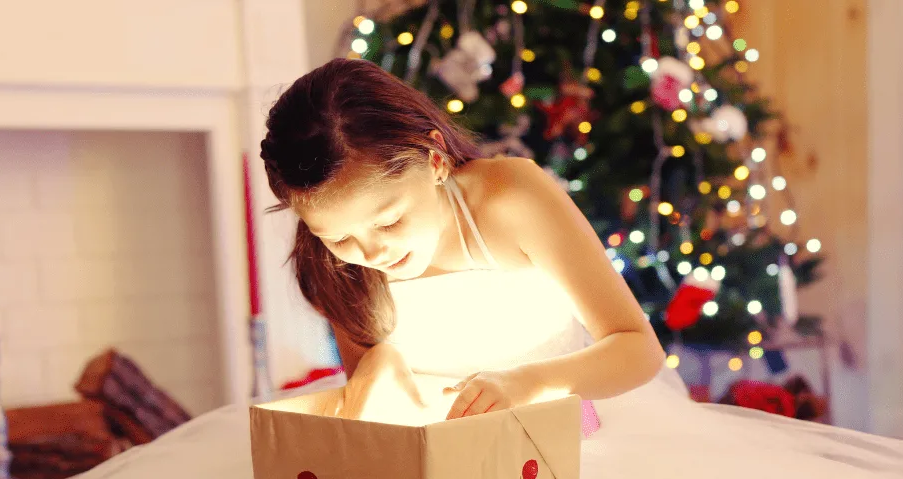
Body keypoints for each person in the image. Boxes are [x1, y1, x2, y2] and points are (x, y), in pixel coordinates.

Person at [259, 58, 687, 420]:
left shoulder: (512, 198)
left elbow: (637, 349)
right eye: (338, 238)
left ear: (436, 160)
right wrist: (377, 370)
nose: (370, 253)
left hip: (569, 436)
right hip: (441, 461)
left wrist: (530, 383)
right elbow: (370, 398)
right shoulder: (329, 256)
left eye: (389, 222)